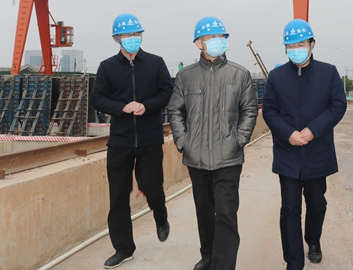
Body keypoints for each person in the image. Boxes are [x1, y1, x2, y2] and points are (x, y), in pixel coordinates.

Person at [168, 16, 258, 270]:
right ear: (198, 43)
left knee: (226, 213)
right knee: (204, 211)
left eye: (221, 37)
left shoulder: (240, 74)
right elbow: (175, 111)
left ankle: (223, 265)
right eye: (211, 38)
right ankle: (208, 255)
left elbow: (249, 110)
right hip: (196, 158)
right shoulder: (185, 76)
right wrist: (183, 142)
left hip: (228, 157)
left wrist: (238, 140)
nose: (217, 41)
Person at [262, 19, 347, 270]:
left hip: (317, 151)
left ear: (312, 44)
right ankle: (294, 262)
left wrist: (313, 131)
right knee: (290, 208)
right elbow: (269, 110)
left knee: (317, 203)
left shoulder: (328, 73)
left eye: (301, 44)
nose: (296, 49)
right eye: (290, 45)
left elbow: (337, 106)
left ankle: (313, 240)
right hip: (288, 152)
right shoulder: (276, 77)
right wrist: (288, 133)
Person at [90, 13, 174, 269]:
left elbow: (166, 92)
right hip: (120, 141)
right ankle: (124, 248)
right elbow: (97, 98)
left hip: (149, 140)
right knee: (118, 196)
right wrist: (122, 107)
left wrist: (147, 106)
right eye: (127, 35)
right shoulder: (107, 67)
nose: (132, 39)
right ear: (116, 39)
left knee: (152, 187)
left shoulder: (156, 63)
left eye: (136, 34)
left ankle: (160, 215)